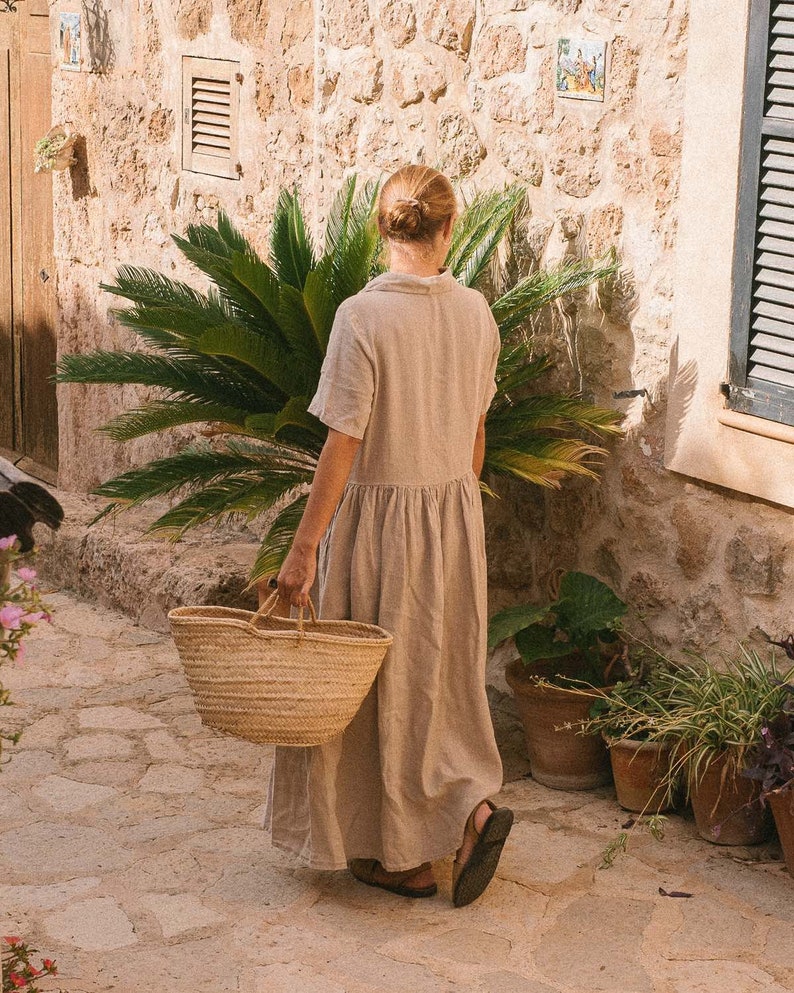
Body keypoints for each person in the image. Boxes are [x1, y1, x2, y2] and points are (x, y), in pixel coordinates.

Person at [263, 164, 513, 907]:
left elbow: (344, 441)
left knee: (375, 690)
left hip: (379, 525)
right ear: (446, 231)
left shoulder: (361, 318)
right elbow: (475, 438)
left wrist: (304, 547)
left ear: (383, 230)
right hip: (453, 521)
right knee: (438, 681)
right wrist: (454, 500)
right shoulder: (477, 314)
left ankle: (398, 856)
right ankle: (473, 808)